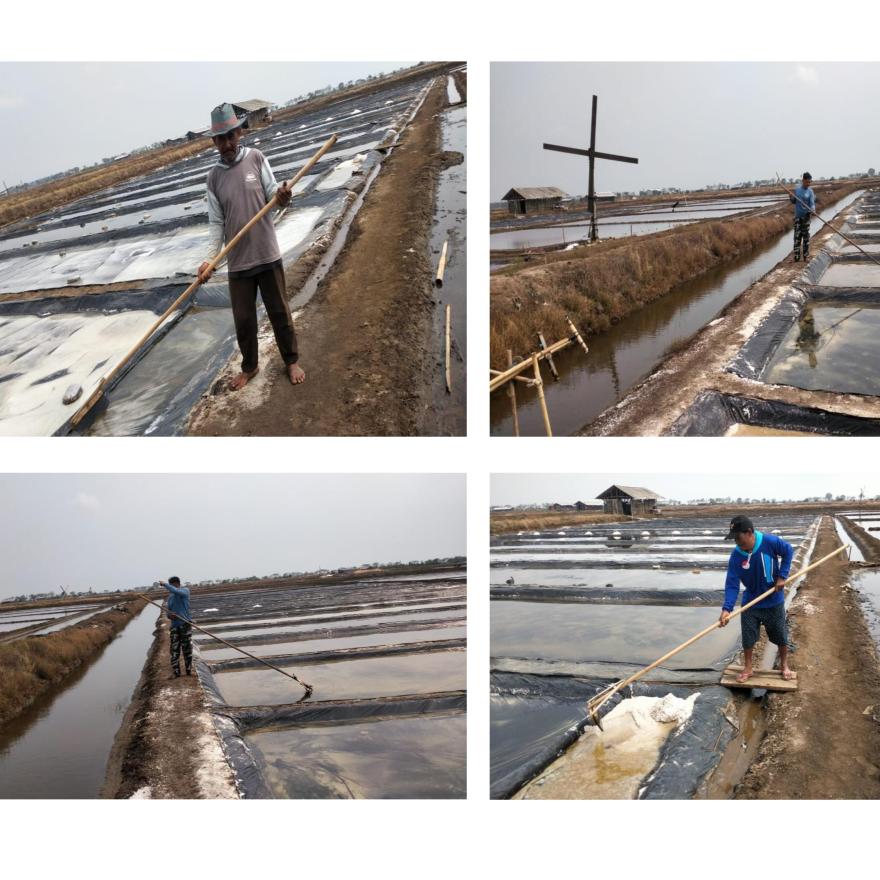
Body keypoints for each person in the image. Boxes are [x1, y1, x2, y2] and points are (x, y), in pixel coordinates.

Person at [197, 102, 305, 391]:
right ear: (214, 142)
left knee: (279, 312)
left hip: (266, 253)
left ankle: (291, 360)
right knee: (244, 320)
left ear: (240, 133)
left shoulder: (256, 158)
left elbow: (273, 193)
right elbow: (216, 223)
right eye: (220, 139)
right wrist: (210, 260)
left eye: (230, 136)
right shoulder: (213, 178)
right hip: (238, 262)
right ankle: (250, 367)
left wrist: (282, 196)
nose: (227, 144)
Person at [718, 515, 794, 683]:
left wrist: (782, 576)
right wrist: (726, 609)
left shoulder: (769, 542)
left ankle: (784, 665)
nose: (737, 542)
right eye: (734, 539)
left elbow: (788, 551)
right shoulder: (736, 556)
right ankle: (748, 667)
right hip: (751, 603)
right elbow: (732, 584)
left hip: (773, 600)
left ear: (749, 532)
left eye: (738, 537)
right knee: (748, 637)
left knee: (780, 635)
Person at [159, 577, 192, 678]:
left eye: (171, 586)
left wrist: (164, 584)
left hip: (185, 624)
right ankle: (176, 672)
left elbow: (175, 590)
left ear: (177, 584)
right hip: (174, 626)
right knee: (174, 650)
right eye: (169, 586)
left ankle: (188, 671)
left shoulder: (185, 591)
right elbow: (168, 612)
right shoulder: (170, 598)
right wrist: (170, 615)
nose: (170, 588)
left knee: (186, 649)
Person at [790, 172, 816, 262]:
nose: (809, 184)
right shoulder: (797, 190)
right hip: (798, 218)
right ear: (803, 180)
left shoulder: (810, 191)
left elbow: (812, 203)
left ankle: (806, 256)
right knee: (797, 237)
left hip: (806, 217)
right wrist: (791, 197)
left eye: (810, 182)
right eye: (807, 182)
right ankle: (796, 257)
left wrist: (813, 210)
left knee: (806, 237)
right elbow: (793, 201)